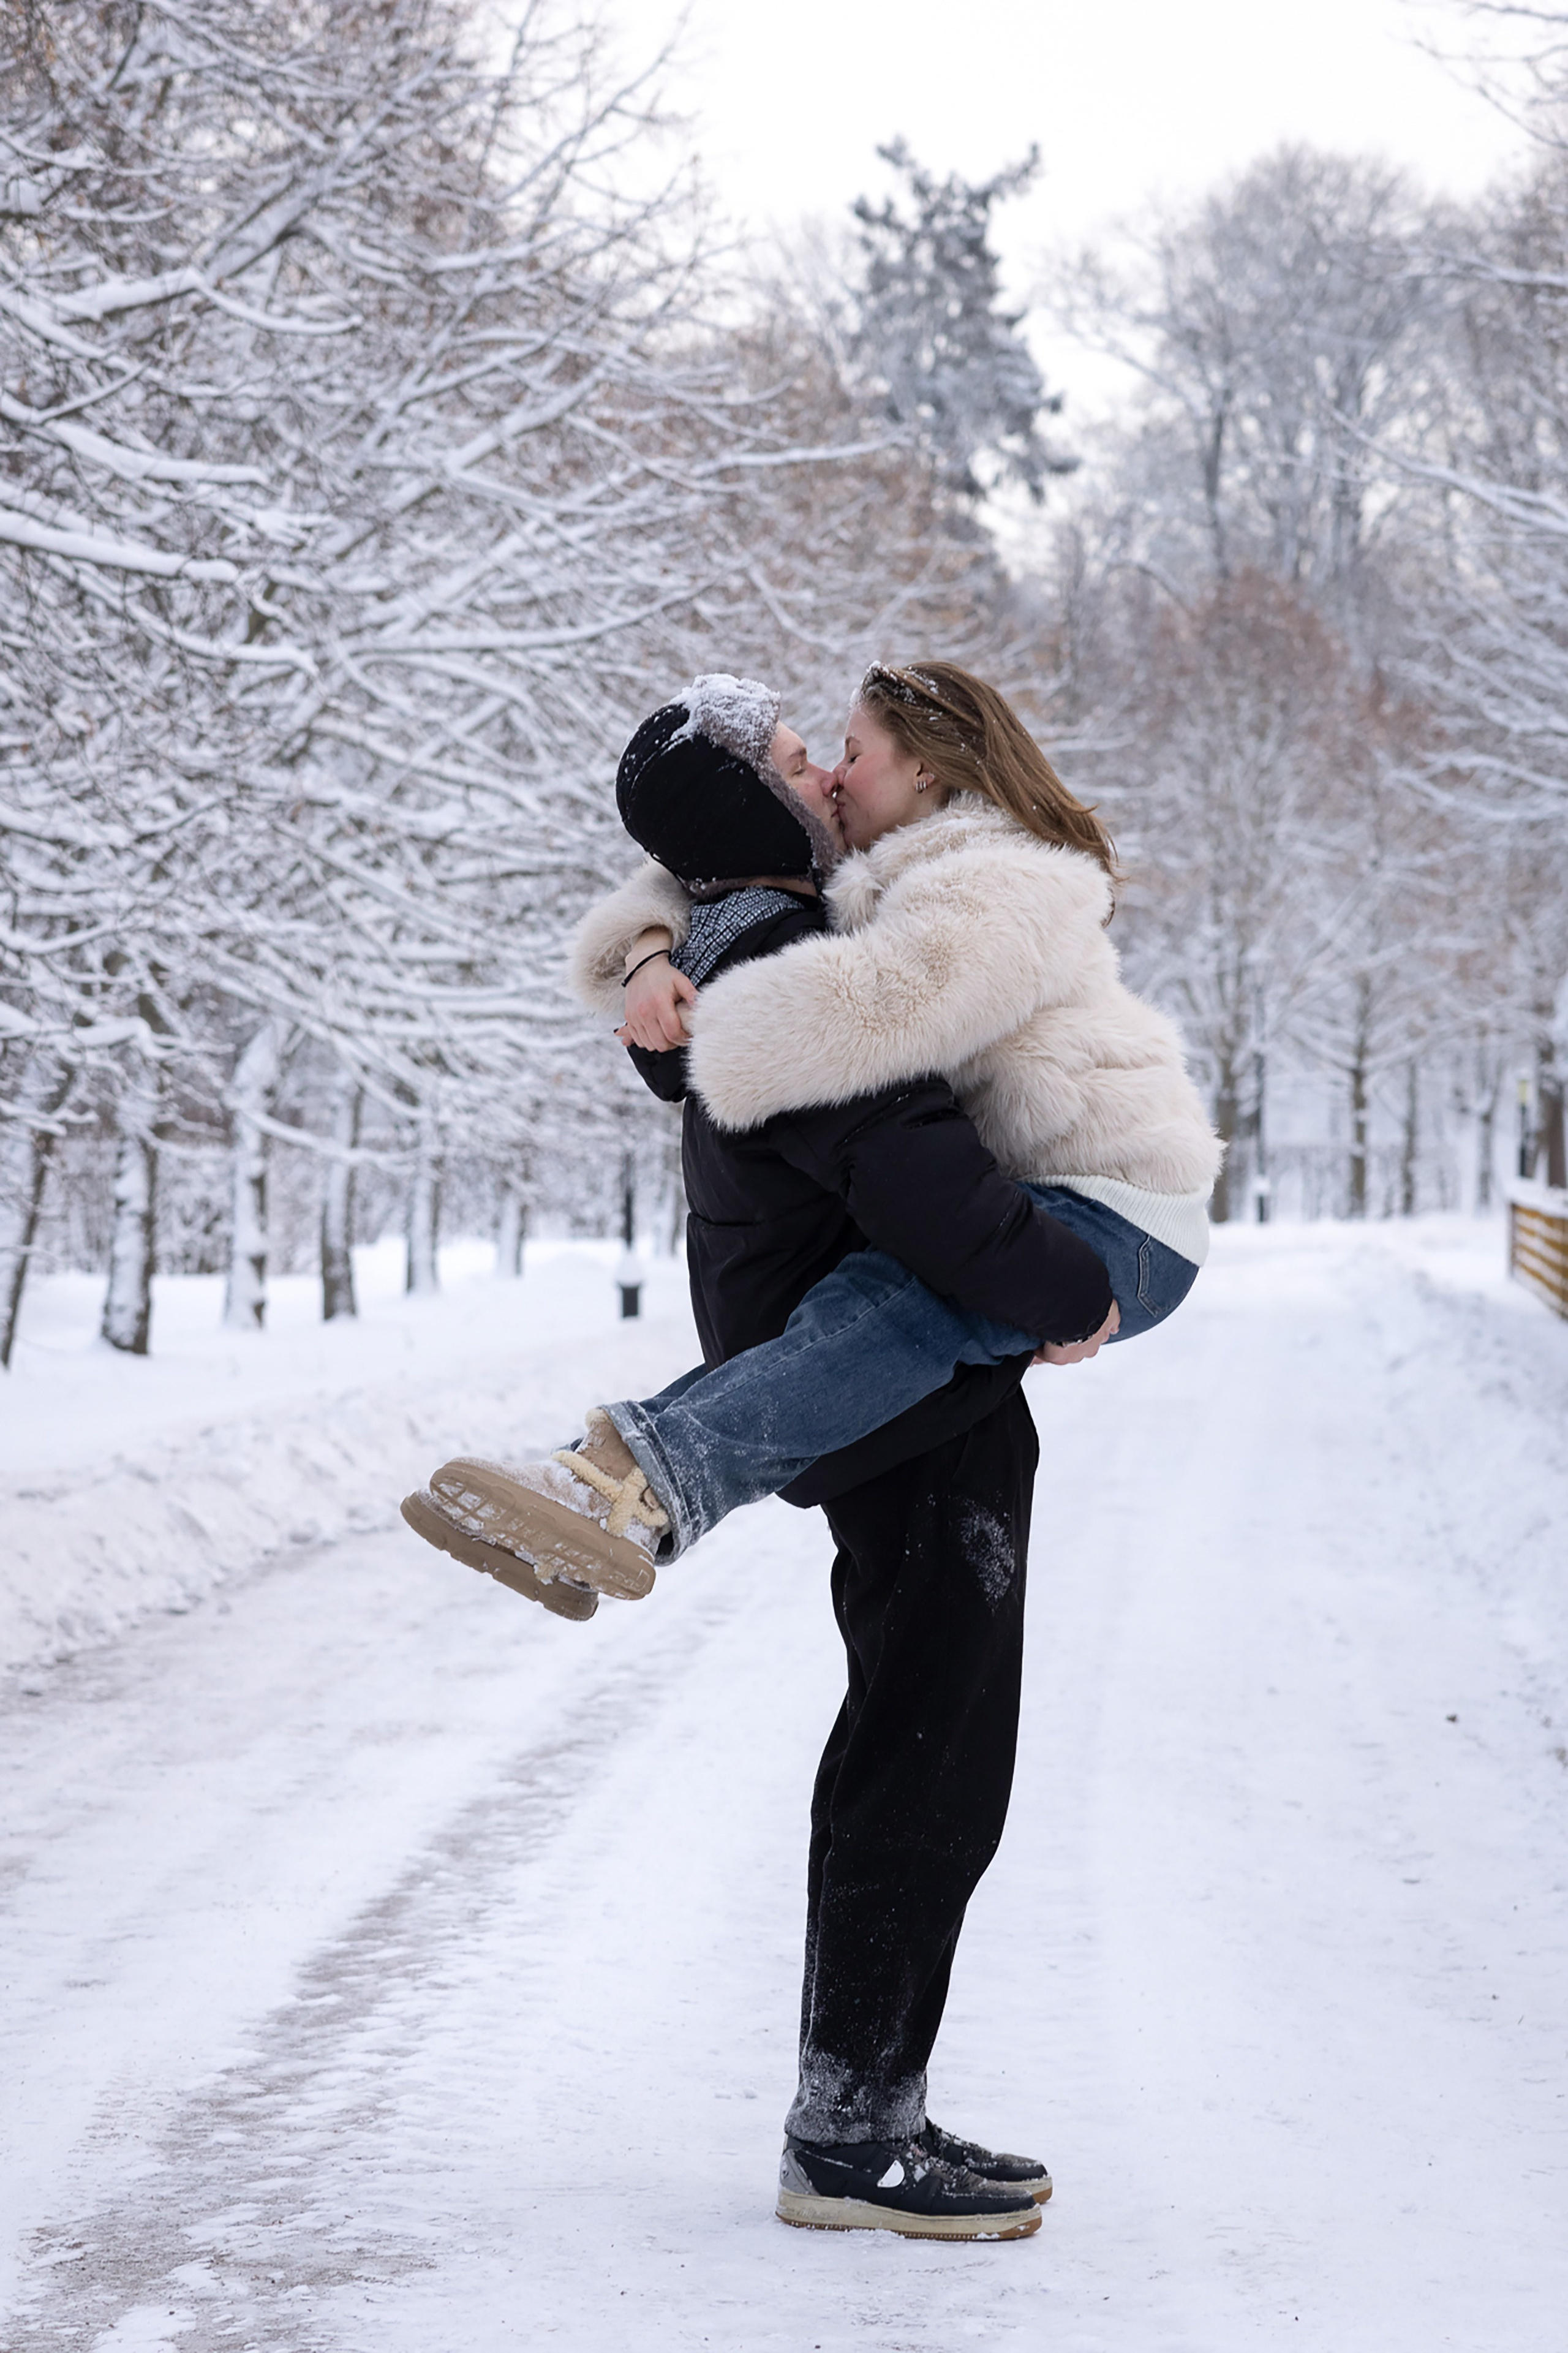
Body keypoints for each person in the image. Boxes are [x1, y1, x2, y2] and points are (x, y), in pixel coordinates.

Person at [402, 667, 1216, 2240]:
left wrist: (655, 959)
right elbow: (890, 1146)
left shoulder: (875, 910)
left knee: (916, 1745)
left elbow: (723, 944)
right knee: (928, 1753)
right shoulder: (791, 946)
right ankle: (850, 2137)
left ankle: (860, 2118)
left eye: (846, 750)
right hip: (923, 1384)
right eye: (804, 757)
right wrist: (1060, 1293)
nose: (828, 771)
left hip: (956, 1328)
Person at [407, 663, 1219, 1600]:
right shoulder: (885, 870)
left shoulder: (996, 883)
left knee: (897, 1308)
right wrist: (645, 951)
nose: (834, 777)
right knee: (861, 1314)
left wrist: (718, 1004)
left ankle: (635, 1482)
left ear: (921, 767)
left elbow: (863, 1013)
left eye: (851, 752)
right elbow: (705, 865)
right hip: (1040, 1202)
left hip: (1120, 1217)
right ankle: (599, 1477)